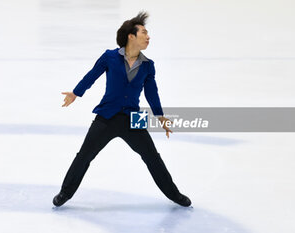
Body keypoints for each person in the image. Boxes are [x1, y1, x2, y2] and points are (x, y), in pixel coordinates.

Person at [53, 11, 191, 207]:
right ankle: (65, 193)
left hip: (134, 118)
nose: (148, 36)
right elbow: (92, 75)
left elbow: (152, 93)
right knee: (84, 156)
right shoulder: (109, 57)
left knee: (153, 157)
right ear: (131, 36)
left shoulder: (148, 66)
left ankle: (174, 195)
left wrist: (160, 117)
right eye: (144, 32)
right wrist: (76, 93)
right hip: (106, 115)